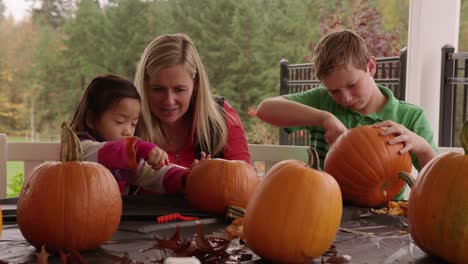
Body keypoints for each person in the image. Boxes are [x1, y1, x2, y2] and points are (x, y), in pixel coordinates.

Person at [256, 30, 438, 199]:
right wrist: (324, 118)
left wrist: (421, 146)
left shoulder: (410, 116)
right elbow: (265, 110)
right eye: (334, 91)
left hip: (388, 218)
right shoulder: (322, 102)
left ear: (371, 66)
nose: (346, 98)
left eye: (352, 85)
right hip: (325, 209)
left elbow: (438, 180)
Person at [134, 33, 251, 167]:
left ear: (195, 84)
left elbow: (244, 179)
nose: (169, 101)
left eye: (179, 90)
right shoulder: (129, 124)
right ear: (144, 86)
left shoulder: (222, 117)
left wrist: (205, 179)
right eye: (158, 89)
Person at [70, 74, 191, 195]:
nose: (128, 131)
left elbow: (155, 175)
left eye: (133, 124)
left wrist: (187, 178)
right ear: (91, 119)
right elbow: (110, 152)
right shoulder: (80, 149)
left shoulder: (128, 160)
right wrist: (139, 147)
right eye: (120, 121)